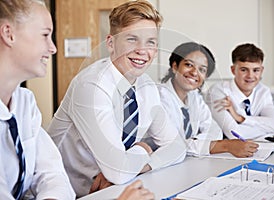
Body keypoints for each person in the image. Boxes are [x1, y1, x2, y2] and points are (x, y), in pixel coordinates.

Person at [47, 0, 186, 197]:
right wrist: (142, 149)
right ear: (111, 43)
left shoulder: (146, 86)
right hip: (67, 193)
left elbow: (178, 147)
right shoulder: (92, 85)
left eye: (151, 42)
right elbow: (119, 171)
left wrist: (137, 163)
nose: (142, 50)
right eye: (132, 39)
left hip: (114, 189)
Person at [0, 0, 75, 199]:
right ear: (9, 34)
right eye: (45, 35)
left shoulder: (25, 102)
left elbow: (52, 174)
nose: (53, 48)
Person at [158, 42, 259, 158]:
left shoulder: (194, 96)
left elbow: (214, 130)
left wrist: (194, 142)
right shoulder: (159, 97)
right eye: (189, 65)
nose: (195, 73)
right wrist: (225, 146)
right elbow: (173, 145)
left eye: (202, 69)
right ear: (175, 66)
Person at [205, 43, 274, 139]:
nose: (250, 76)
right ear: (233, 70)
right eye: (244, 70)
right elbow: (235, 134)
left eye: (256, 70)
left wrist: (241, 118)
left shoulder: (263, 91)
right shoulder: (218, 92)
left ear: (262, 70)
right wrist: (266, 129)